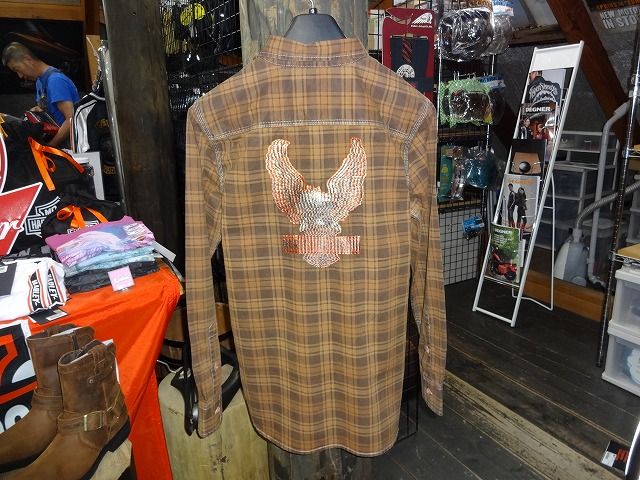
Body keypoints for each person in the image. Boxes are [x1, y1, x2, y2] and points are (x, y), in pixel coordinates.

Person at [2, 42, 80, 148]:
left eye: (17, 69)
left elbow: (71, 119)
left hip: (70, 146)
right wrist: (39, 112)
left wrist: (50, 146)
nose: (19, 76)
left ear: (28, 59)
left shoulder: (55, 81)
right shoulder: (39, 82)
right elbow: (52, 111)